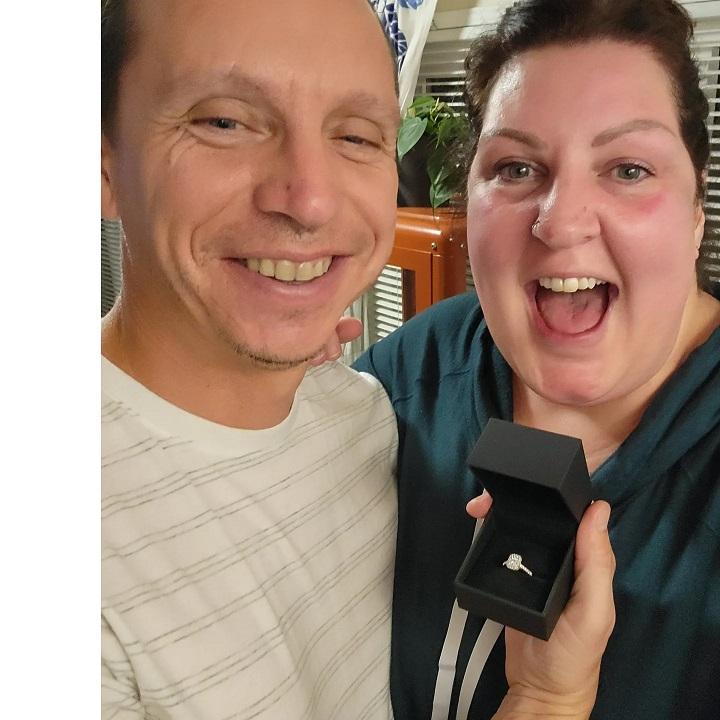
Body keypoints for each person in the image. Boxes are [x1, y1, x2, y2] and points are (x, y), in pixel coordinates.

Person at [101, 1, 614, 719]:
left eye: (356, 135)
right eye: (223, 122)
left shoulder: (363, 414)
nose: (309, 200)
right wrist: (547, 701)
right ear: (101, 162)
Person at [355, 0, 720, 718]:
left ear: (696, 210)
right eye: (516, 167)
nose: (561, 222)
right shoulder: (419, 368)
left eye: (629, 169)